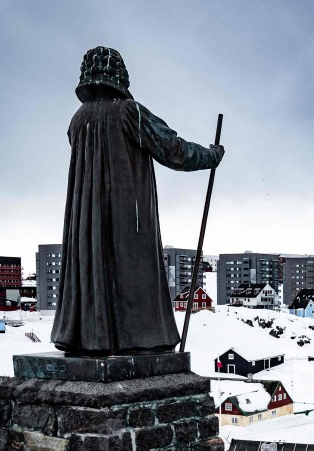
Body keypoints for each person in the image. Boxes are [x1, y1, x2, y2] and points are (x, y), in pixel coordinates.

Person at [52, 46, 223, 356]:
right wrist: (212, 156)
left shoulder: (77, 120)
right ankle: (141, 339)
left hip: (86, 223)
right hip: (127, 217)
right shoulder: (128, 111)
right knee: (134, 274)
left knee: (93, 270)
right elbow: (173, 149)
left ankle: (92, 338)